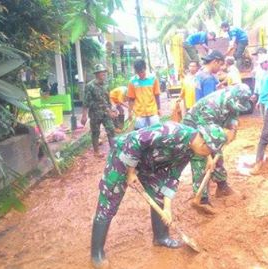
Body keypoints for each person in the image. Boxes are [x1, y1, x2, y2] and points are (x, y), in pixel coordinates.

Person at [90, 121, 232, 268]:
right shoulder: (171, 132)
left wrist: (168, 208)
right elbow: (135, 140)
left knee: (159, 194)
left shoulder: (190, 150)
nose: (207, 156)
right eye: (209, 152)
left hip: (150, 164)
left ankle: (161, 237)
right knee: (109, 200)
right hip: (123, 156)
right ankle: (96, 253)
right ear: (203, 143)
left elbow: (173, 175)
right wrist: (131, 172)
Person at [183, 84, 252, 212]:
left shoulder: (232, 100)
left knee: (218, 155)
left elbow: (233, 116)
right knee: (201, 159)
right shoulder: (211, 106)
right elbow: (205, 137)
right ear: (231, 98)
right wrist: (208, 156)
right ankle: (202, 198)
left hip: (212, 127)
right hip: (195, 128)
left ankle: (222, 187)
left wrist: (232, 128)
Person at [81, 64, 116, 158]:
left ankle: (114, 151)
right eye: (102, 72)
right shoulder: (90, 86)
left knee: (111, 129)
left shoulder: (106, 85)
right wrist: (84, 116)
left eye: (104, 72)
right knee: (95, 132)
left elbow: (108, 99)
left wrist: (112, 109)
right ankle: (96, 152)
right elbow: (85, 102)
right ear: (96, 74)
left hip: (106, 112)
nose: (104, 74)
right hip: (94, 113)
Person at [127, 59, 161, 130]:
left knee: (156, 132)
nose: (141, 74)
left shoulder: (153, 79)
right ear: (136, 71)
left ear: (145, 69)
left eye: (142, 71)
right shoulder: (132, 81)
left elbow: (157, 95)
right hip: (139, 113)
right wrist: (129, 112)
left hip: (152, 111)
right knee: (140, 134)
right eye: (138, 72)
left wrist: (159, 108)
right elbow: (131, 99)